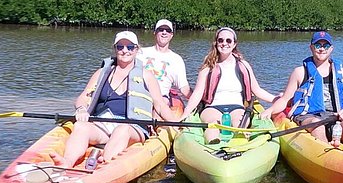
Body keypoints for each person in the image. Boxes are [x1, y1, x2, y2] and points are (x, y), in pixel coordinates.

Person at [60, 30, 180, 168]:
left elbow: (160, 105)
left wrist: (176, 125)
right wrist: (81, 109)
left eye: (130, 47)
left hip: (133, 127)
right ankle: (66, 163)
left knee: (122, 130)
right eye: (120, 47)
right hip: (103, 124)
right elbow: (83, 97)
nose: (125, 51)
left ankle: (104, 165)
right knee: (81, 127)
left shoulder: (146, 75)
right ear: (115, 49)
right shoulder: (102, 73)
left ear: (136, 50)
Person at [266, 30, 343, 152]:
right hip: (309, 117)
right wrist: (270, 111)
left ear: (331, 49)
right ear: (311, 47)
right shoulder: (299, 72)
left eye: (326, 45)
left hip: (336, 118)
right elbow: (285, 99)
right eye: (318, 45)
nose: (322, 49)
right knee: (317, 124)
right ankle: (329, 157)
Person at [182, 27, 276, 144]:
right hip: (212, 107)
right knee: (213, 126)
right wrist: (186, 113)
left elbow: (256, 90)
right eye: (220, 40)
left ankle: (239, 147)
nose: (224, 43)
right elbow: (198, 93)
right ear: (216, 43)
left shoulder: (243, 65)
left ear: (234, 44)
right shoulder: (208, 66)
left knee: (238, 125)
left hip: (237, 107)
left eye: (228, 41)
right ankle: (213, 148)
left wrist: (276, 99)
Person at [136, 18, 191, 107]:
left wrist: (198, 101)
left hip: (162, 99)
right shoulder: (140, 53)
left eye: (168, 30)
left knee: (160, 106)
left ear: (171, 35)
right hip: (139, 95)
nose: (164, 32)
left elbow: (184, 88)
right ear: (155, 32)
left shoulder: (177, 59)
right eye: (160, 30)